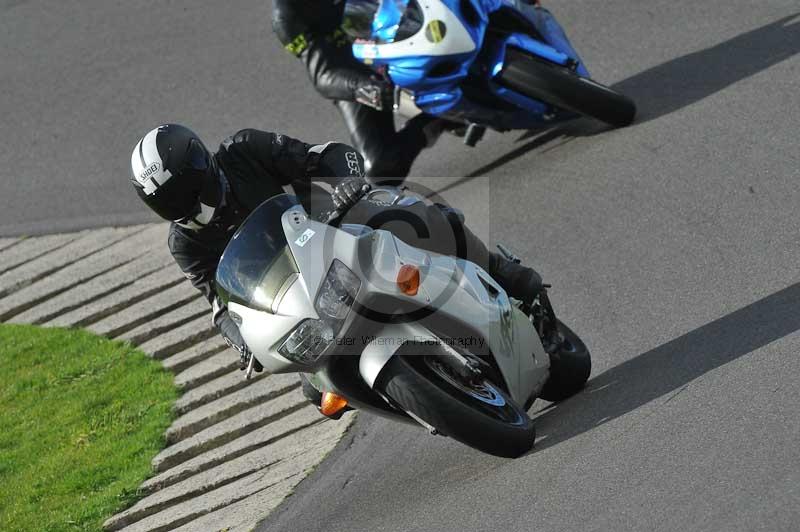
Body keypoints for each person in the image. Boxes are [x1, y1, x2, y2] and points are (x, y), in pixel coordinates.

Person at [129, 123, 543, 412]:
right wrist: (241, 341)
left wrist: (345, 178)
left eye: (188, 191)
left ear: (203, 165)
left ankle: (499, 270)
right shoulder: (184, 243)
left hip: (338, 229)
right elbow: (219, 303)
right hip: (300, 299)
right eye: (171, 203)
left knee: (424, 218)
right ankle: (424, 399)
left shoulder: (243, 150)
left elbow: (320, 155)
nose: (188, 207)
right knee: (318, 394)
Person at [272, 0, 444, 180]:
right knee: (381, 166)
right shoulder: (287, 16)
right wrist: (366, 89)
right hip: (358, 73)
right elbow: (324, 75)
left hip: (404, 27)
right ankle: (433, 120)